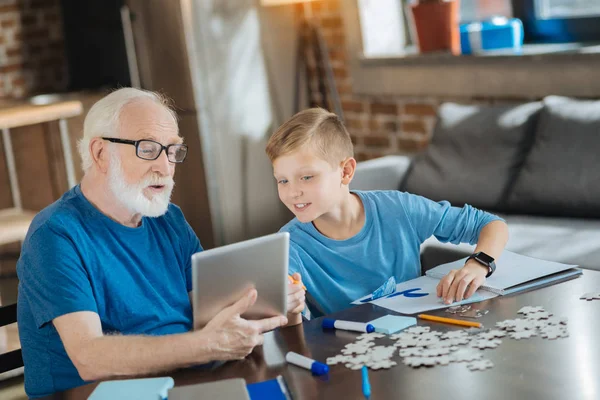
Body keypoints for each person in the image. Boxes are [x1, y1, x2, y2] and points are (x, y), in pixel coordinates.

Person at [16, 88, 305, 398]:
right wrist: (206, 345)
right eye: (149, 149)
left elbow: (210, 314)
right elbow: (90, 357)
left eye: (172, 151)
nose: (166, 168)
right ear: (100, 153)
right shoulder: (55, 235)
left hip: (185, 382)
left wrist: (272, 305)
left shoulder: (169, 219)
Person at [265, 108, 509, 316]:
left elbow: (491, 224)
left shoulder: (398, 209)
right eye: (282, 181)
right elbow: (285, 320)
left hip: (415, 344)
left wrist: (478, 264)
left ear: (346, 172)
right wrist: (287, 306)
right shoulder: (287, 248)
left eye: (306, 177)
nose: (292, 192)